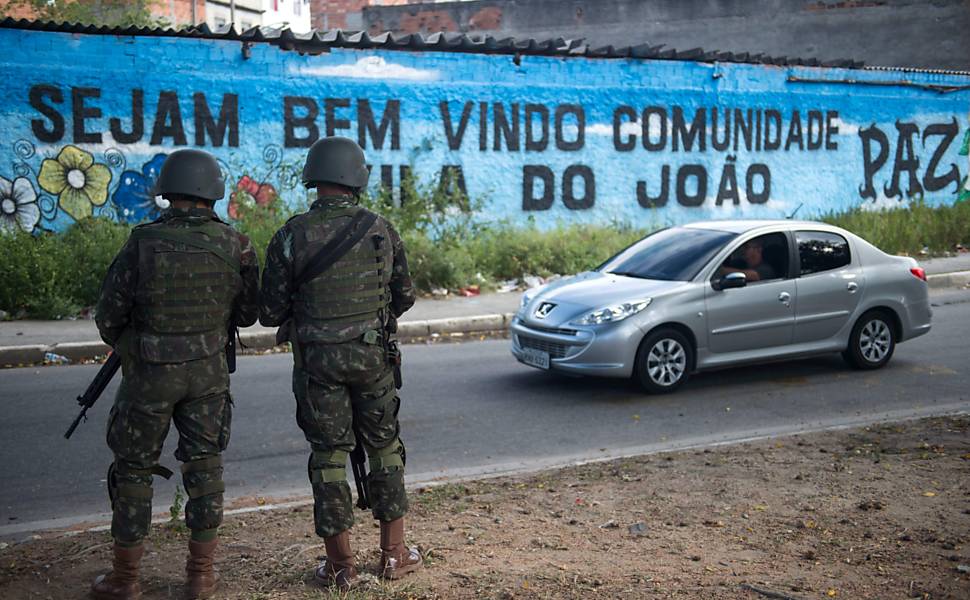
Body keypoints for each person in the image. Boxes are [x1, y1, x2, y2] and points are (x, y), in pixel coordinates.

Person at [92, 149, 260, 600]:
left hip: (149, 374)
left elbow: (109, 315)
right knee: (205, 469)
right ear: (213, 192)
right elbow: (247, 314)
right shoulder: (237, 245)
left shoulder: (143, 242)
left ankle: (125, 580)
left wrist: (134, 347)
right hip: (207, 373)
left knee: (132, 470)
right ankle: (201, 575)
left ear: (168, 192)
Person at [259, 136, 419, 591]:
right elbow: (403, 296)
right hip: (373, 358)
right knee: (384, 448)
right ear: (357, 178)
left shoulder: (291, 235)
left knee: (329, 457)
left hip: (317, 365)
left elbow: (268, 311)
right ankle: (394, 556)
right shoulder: (381, 230)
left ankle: (341, 567)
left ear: (315, 178)